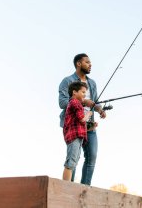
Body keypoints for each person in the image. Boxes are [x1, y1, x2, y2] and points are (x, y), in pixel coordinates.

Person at [59, 53, 106, 185]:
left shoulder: (92, 83)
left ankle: (84, 190)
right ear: (78, 64)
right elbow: (62, 102)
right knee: (74, 157)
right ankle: (70, 188)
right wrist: (84, 101)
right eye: (87, 62)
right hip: (74, 125)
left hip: (89, 125)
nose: (90, 65)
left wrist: (100, 110)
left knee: (92, 156)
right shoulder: (67, 81)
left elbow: (95, 102)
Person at [62, 81, 92, 181]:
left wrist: (90, 127)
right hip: (74, 136)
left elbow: (79, 123)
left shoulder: (75, 104)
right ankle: (65, 186)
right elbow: (82, 118)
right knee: (71, 162)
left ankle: (67, 184)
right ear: (74, 92)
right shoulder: (75, 102)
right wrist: (88, 114)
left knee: (74, 162)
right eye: (83, 92)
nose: (85, 94)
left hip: (77, 136)